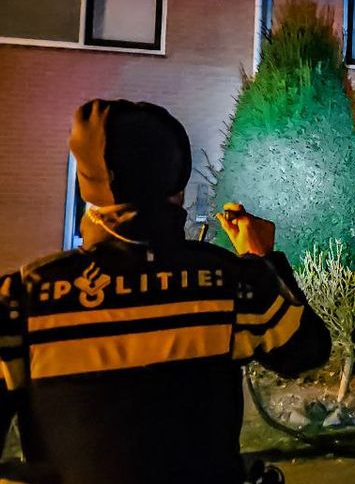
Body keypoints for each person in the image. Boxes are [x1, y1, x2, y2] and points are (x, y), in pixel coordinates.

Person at [0, 99, 331, 484]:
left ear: (87, 186)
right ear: (177, 182)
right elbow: (307, 350)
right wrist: (261, 258)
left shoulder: (23, 302)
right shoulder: (229, 284)